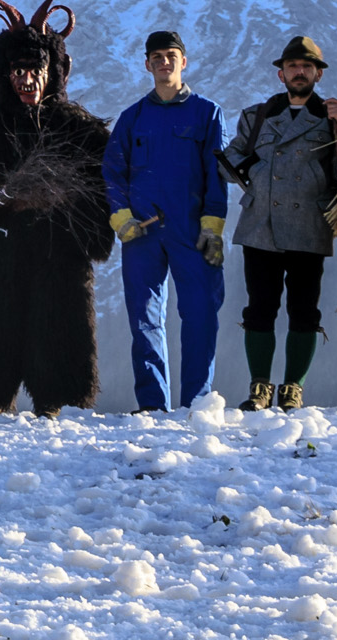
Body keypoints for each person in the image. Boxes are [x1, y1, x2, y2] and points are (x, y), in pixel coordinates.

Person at [0, 0, 112, 418]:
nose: (27, 79)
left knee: (60, 314)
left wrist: (61, 202)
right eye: (17, 70)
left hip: (58, 251)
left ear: (54, 72)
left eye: (36, 70)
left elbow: (103, 196)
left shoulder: (81, 132)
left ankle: (59, 399)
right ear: (0, 74)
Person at [218, 36, 337, 410]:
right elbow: (229, 160)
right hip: (260, 224)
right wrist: (256, 171)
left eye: (307, 66)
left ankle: (293, 387)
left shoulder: (335, 116)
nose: (299, 72)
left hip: (309, 223)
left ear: (318, 74)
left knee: (304, 310)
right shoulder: (256, 115)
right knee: (259, 309)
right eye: (293, 66)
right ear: (281, 74)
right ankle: (259, 388)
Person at [105, 29, 229, 411]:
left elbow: (217, 174)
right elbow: (112, 171)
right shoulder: (132, 118)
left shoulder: (207, 113)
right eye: (156, 57)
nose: (164, 62)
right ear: (147, 64)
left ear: (183, 61)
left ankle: (197, 403)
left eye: (170, 55)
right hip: (142, 233)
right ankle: (152, 405)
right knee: (143, 319)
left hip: (192, 231)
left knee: (200, 313)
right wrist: (121, 216)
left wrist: (213, 227)